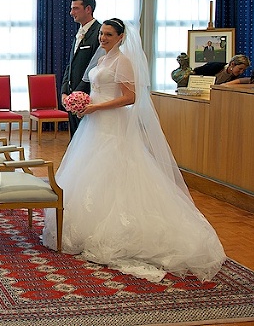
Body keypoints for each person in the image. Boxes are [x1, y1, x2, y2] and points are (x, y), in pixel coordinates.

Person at [42, 18, 226, 282]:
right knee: (89, 171)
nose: (103, 38)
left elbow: (131, 97)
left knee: (115, 170)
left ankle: (120, 232)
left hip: (112, 125)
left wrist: (95, 107)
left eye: (108, 34)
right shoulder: (103, 60)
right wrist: (82, 102)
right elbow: (97, 88)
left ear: (120, 37)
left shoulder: (122, 61)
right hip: (94, 123)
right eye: (102, 34)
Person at [61, 0, 102, 136]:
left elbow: (95, 65)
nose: (71, 13)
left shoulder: (100, 32)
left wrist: (78, 92)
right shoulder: (80, 32)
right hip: (73, 97)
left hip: (88, 97)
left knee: (86, 138)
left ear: (88, 9)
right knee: (75, 139)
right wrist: (65, 91)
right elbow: (71, 64)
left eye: (75, 8)